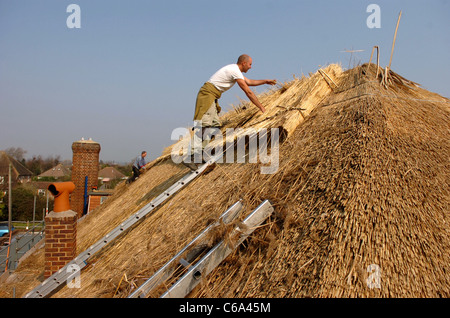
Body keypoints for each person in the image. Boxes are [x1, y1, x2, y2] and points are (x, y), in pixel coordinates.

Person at [188, 54, 277, 168]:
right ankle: (191, 155)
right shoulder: (234, 70)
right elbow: (248, 91)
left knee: (215, 125)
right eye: (250, 64)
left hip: (212, 95)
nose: (250, 67)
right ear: (243, 63)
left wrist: (265, 81)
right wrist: (261, 107)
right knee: (206, 124)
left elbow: (249, 82)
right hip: (207, 95)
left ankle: (199, 153)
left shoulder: (235, 71)